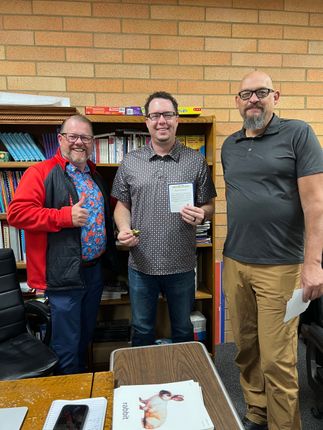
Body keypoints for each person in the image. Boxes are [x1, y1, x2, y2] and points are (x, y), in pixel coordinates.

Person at [221, 70, 323, 430]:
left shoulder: (298, 134)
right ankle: (257, 412)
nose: (253, 99)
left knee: (277, 359)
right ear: (237, 101)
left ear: (275, 96)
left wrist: (313, 264)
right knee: (246, 349)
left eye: (261, 92)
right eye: (246, 93)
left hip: (281, 267)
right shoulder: (229, 145)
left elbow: (316, 205)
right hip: (235, 262)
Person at [7, 114, 117, 374]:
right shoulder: (40, 172)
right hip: (62, 276)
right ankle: (69, 407)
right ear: (61, 139)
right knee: (66, 346)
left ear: (92, 143)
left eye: (86, 138)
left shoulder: (94, 175)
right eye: (73, 136)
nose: (79, 142)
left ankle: (84, 393)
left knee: (84, 337)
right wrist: (64, 216)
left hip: (93, 271)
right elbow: (17, 214)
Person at [112, 91, 216, 346]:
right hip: (140, 265)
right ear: (147, 121)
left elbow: (209, 205)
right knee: (141, 329)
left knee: (182, 329)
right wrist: (124, 228)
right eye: (155, 115)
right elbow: (121, 206)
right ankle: (142, 383)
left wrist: (203, 213)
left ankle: (182, 381)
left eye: (167, 114)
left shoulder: (196, 161)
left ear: (177, 119)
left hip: (181, 264)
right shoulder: (130, 161)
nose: (162, 121)